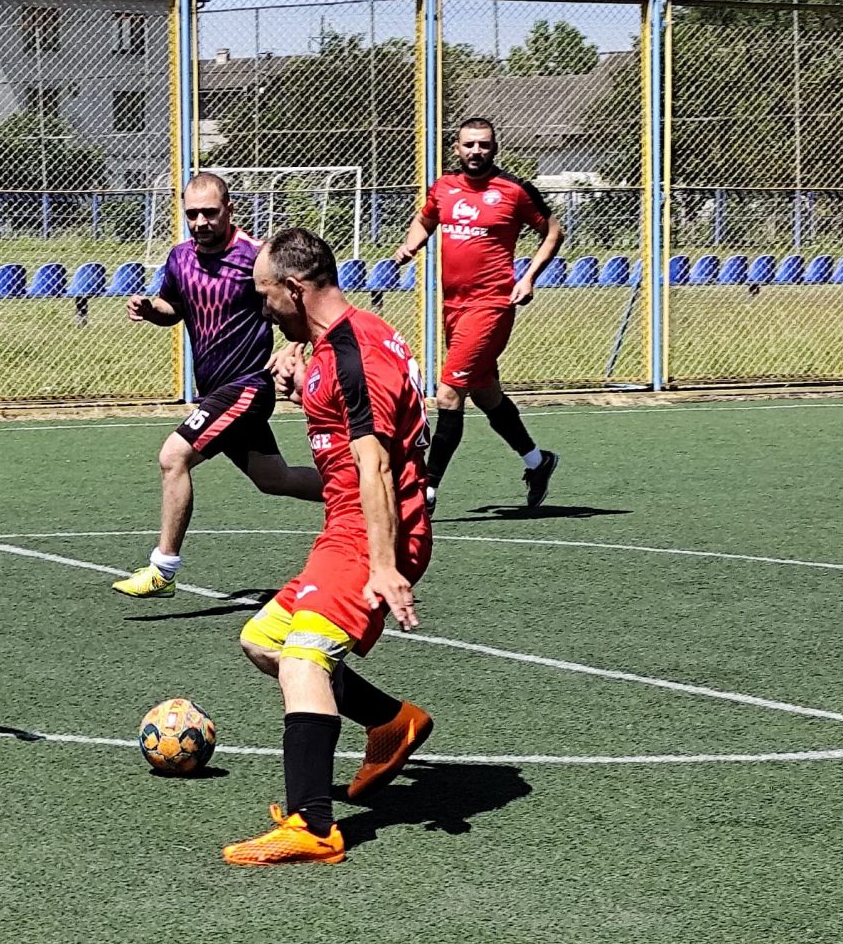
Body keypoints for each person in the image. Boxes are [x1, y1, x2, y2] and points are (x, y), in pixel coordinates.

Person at [225, 226, 437, 868]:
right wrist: (302, 372)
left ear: (294, 288)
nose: (262, 307)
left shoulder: (354, 355)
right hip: (344, 527)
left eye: (265, 294)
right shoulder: (337, 342)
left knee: (303, 659)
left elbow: (376, 465)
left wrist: (385, 565)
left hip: (372, 532)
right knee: (263, 641)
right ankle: (390, 722)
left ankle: (313, 826)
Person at [110, 171, 320, 598]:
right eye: (192, 214)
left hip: (247, 386)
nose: (201, 222)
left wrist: (293, 348)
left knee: (173, 457)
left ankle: (162, 569)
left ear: (229, 209)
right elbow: (174, 306)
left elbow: (304, 303)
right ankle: (373, 494)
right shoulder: (179, 258)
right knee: (274, 479)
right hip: (216, 393)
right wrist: (152, 309)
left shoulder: (257, 257)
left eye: (209, 212)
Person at [391, 118, 563, 509]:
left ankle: (426, 489)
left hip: (492, 306)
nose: (476, 151)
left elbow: (553, 231)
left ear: (494, 148)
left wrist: (529, 277)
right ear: (456, 148)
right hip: (454, 306)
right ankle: (537, 462)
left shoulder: (514, 190)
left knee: (449, 393)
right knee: (485, 393)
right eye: (469, 144)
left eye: (484, 144)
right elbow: (425, 219)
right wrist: (411, 246)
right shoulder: (444, 187)